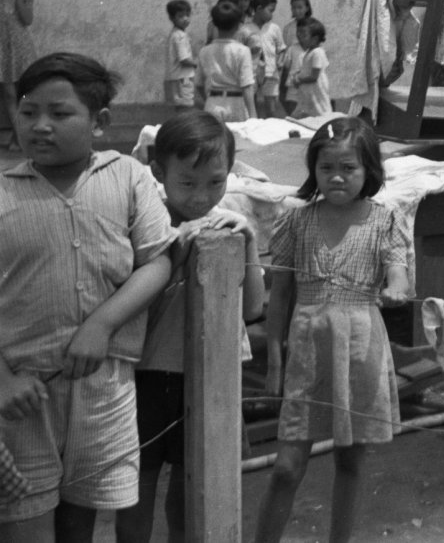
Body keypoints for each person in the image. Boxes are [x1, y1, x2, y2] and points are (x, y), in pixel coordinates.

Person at [0, 53, 174, 543]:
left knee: (82, 518)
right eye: (28, 111)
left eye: (59, 113)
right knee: (24, 522)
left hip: (104, 386)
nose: (40, 125)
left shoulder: (128, 177)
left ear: (99, 122)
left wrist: (102, 324)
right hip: (21, 395)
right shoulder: (4, 191)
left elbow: (157, 260)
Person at [254, 118, 412, 543]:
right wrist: (275, 361)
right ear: (314, 170)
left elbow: (398, 272)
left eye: (348, 168)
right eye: (326, 168)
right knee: (287, 467)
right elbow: (280, 296)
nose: (337, 177)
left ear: (368, 170)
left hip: (361, 348)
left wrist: (397, 289)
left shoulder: (386, 220)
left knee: (351, 461)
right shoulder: (296, 221)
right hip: (308, 350)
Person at [114, 110, 265, 543]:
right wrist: (174, 254)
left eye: (216, 182)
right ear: (158, 172)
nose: (202, 197)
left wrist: (249, 241)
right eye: (187, 183)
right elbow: (135, 309)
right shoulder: (145, 225)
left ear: (230, 172)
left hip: (214, 375)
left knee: (194, 487)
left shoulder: (230, 223)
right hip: (148, 374)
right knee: (136, 488)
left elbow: (252, 308)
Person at [196, 0, 258, 123]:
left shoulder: (204, 51)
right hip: (236, 104)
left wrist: (210, 100)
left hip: (212, 102)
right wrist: (253, 115)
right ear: (238, 25)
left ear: (215, 24)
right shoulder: (242, 51)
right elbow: (246, 86)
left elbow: (198, 84)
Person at [0, 0, 37, 151]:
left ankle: (18, 137)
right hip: (2, 50)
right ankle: (21, 137)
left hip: (21, 49)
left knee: (25, 93)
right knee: (8, 94)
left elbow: (27, 19)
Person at [248, 0, 285, 118]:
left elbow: (281, 49)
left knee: (271, 108)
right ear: (259, 9)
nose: (272, 15)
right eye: (270, 10)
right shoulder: (245, 29)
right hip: (251, 73)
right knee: (252, 105)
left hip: (270, 72)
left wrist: (280, 61)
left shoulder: (274, 28)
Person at [290, 17, 332, 118]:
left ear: (315, 39)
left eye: (304, 35)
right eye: (298, 34)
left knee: (319, 111)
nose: (300, 38)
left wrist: (299, 79)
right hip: (308, 90)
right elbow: (306, 70)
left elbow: (314, 76)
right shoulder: (308, 52)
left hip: (315, 89)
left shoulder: (317, 53)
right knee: (306, 111)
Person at [280, 0, 312, 115]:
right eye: (293, 8)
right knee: (290, 103)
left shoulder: (313, 25)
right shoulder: (288, 28)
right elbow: (286, 51)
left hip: (308, 71)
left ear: (307, 8)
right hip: (293, 71)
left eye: (300, 7)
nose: (296, 11)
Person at [163, 0, 198, 111]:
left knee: (180, 106)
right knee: (186, 107)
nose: (185, 19)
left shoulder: (175, 33)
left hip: (176, 78)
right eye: (181, 16)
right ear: (172, 18)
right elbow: (184, 59)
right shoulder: (180, 36)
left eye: (187, 15)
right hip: (183, 79)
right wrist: (198, 64)